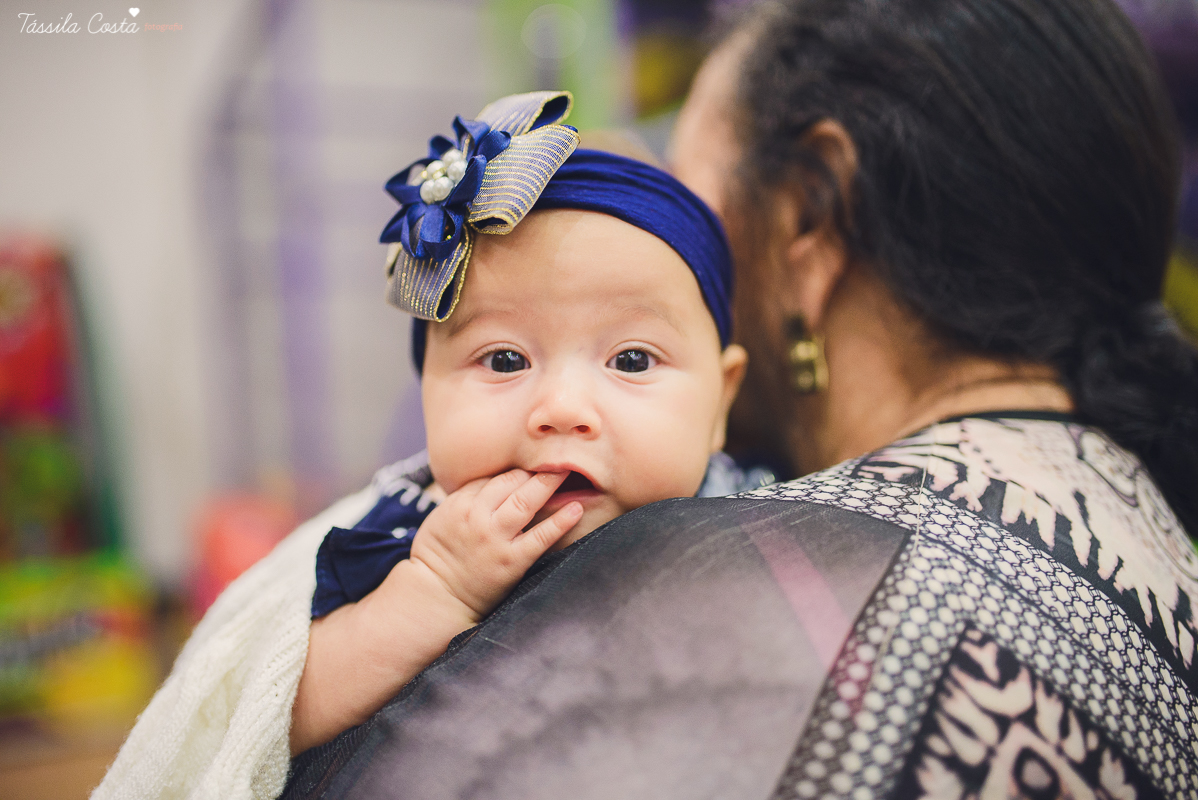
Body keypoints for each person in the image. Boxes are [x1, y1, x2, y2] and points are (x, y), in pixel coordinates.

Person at [279, 1, 1198, 799]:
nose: (564, 405)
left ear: (807, 214)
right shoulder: (1147, 523)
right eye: (506, 357)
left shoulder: (740, 577)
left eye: (684, 185)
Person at [92, 91, 761, 799]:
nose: (562, 410)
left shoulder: (766, 520)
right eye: (504, 360)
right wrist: (436, 588)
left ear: (721, 401)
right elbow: (271, 715)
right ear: (427, 391)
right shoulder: (401, 535)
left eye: (631, 360)